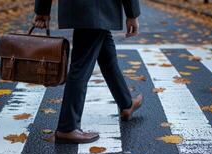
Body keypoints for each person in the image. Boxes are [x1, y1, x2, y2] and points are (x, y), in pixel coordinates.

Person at [33, 0, 143, 144]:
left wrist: (42, 9)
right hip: (100, 7)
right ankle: (67, 128)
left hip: (80, 7)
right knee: (81, 67)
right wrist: (132, 14)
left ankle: (126, 104)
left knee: (107, 57)